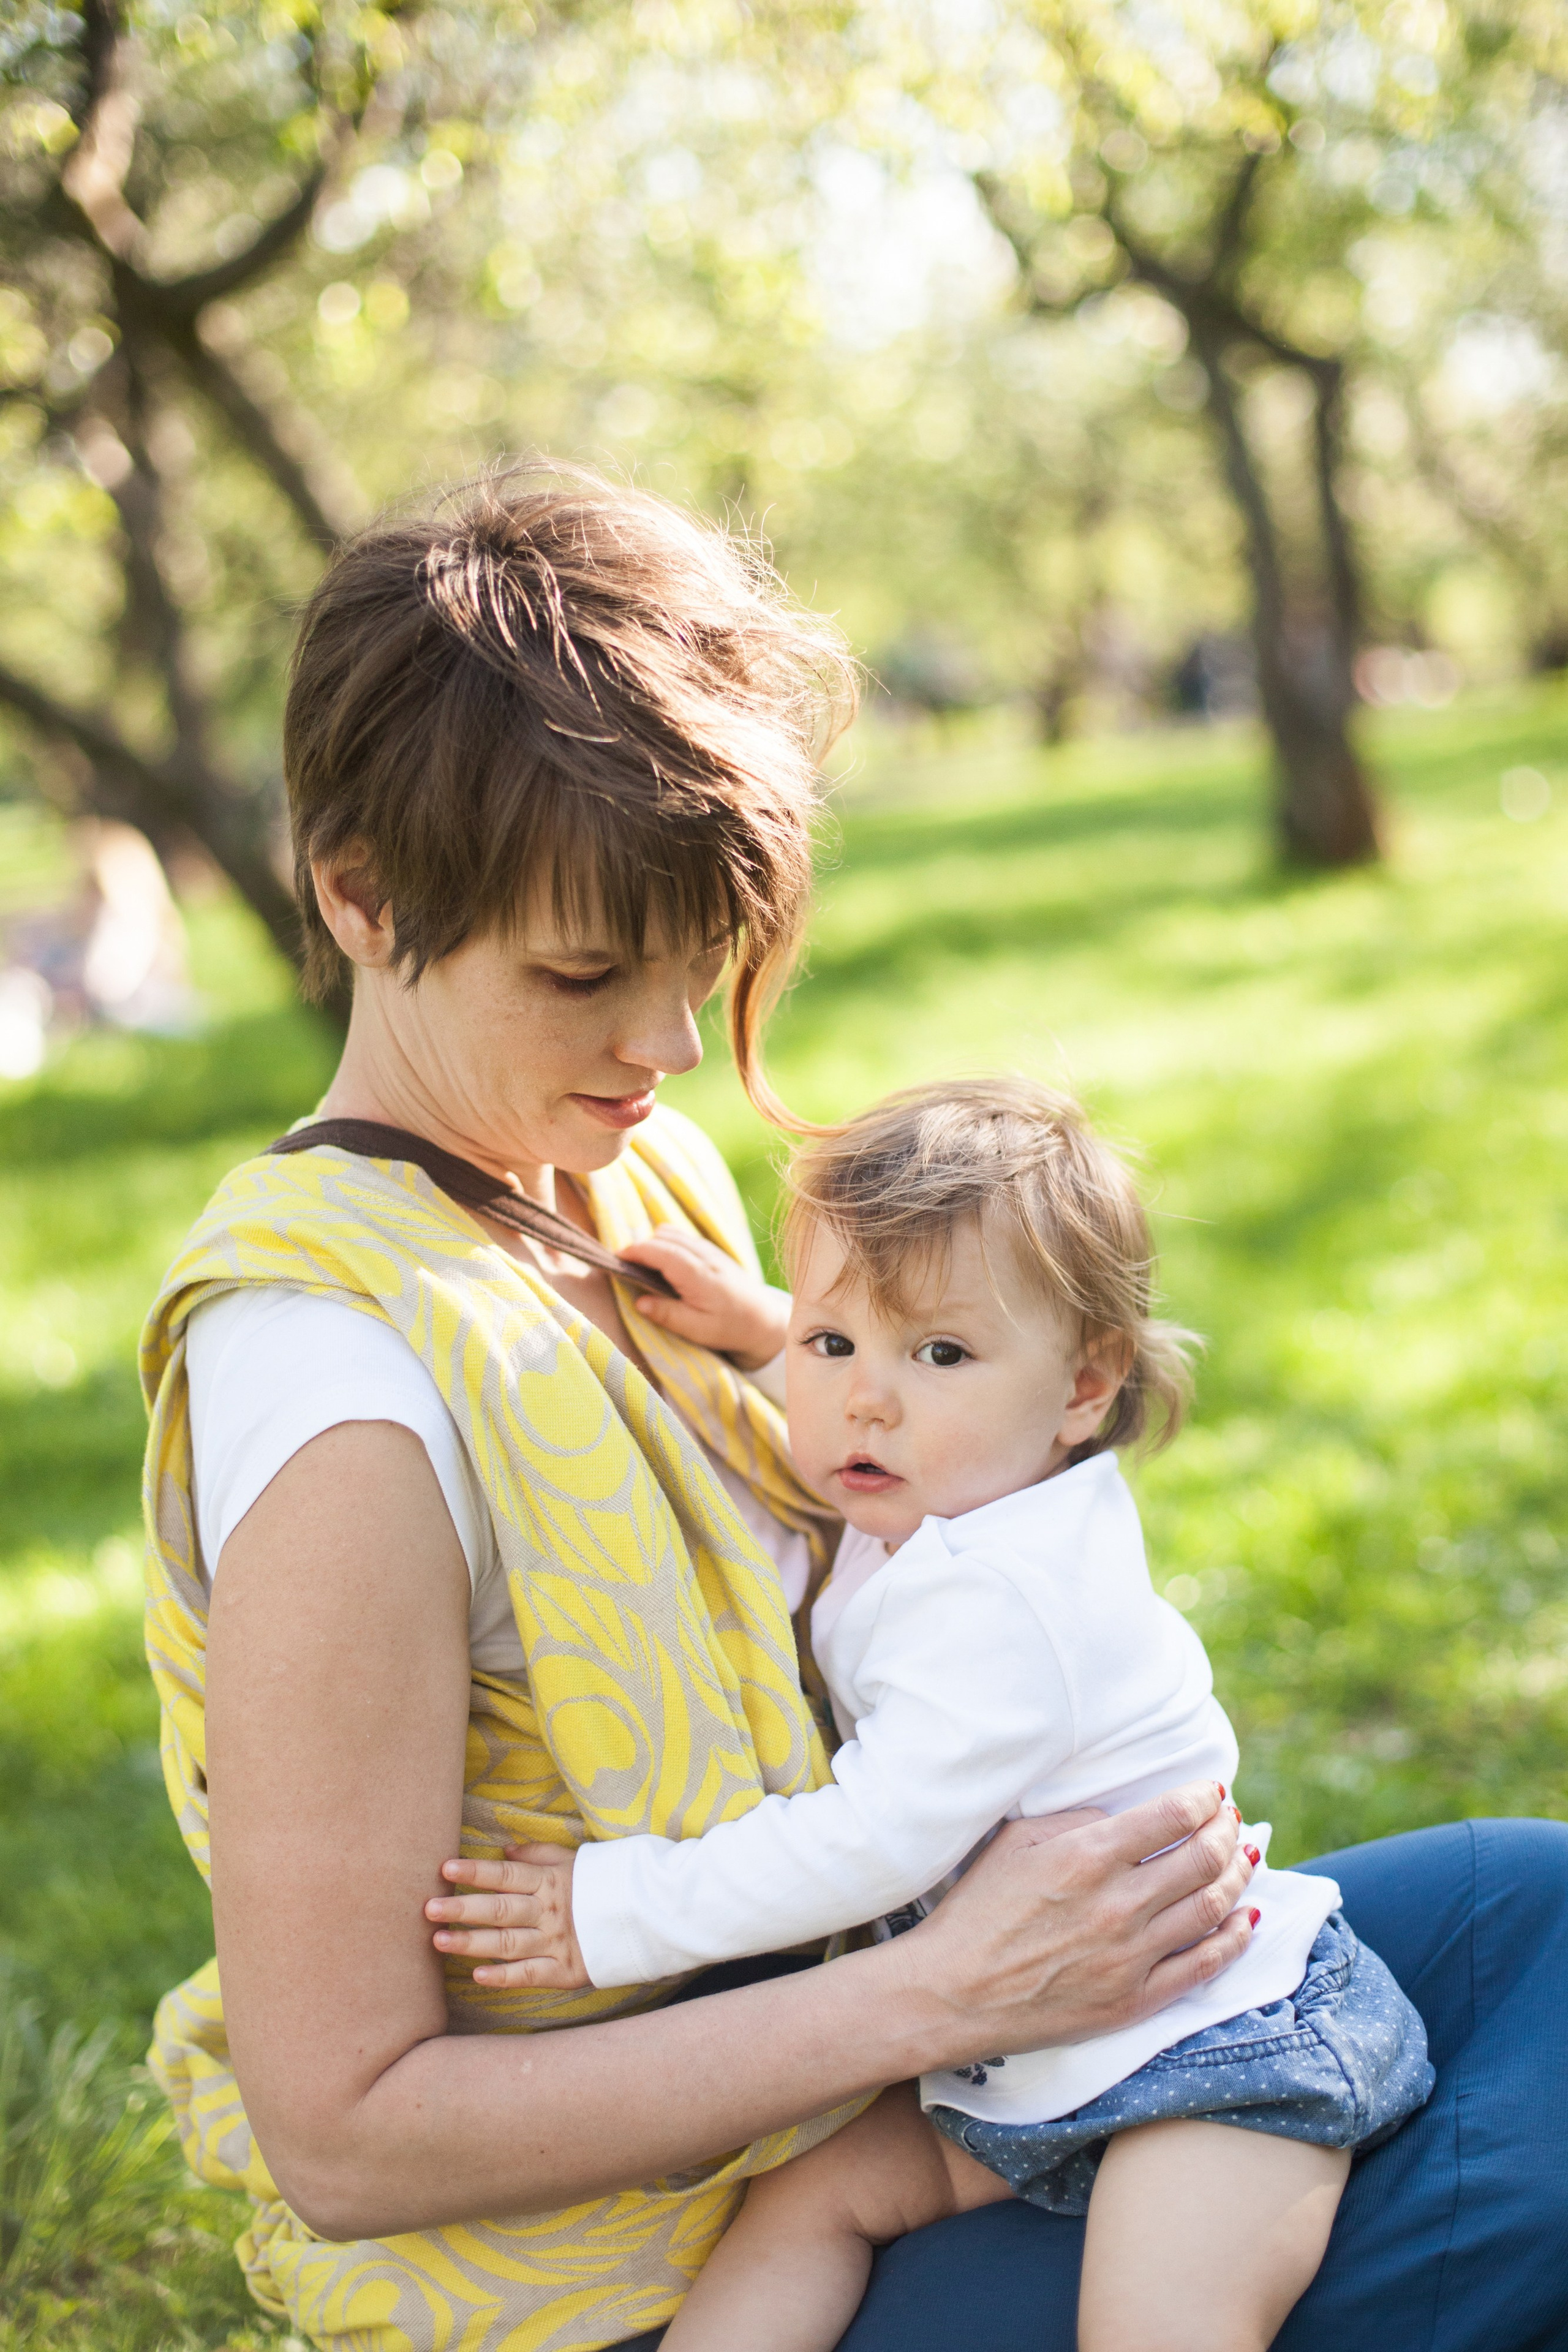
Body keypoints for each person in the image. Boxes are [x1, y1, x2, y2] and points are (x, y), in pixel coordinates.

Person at [137, 467, 1568, 2352]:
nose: (662, 1051)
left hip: (917, 2074)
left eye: (698, 967)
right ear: (361, 898)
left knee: (1531, 1903)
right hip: (673, 2263)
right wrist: (942, 1994)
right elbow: (348, 2133)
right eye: (587, 977)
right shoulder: (340, 1398)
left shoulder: (627, 1187)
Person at [424, 1079, 1433, 2351]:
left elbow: (868, 1845)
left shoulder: (1005, 1601)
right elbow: (898, 1353)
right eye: (831, 1347)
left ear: (1082, 1390)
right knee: (802, 2206)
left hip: (1216, 2053)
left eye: (937, 1356)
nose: (865, 1401)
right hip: (1024, 2062)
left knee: (1154, 2321)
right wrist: (760, 1328)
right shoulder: (956, 1477)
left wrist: (606, 1914)